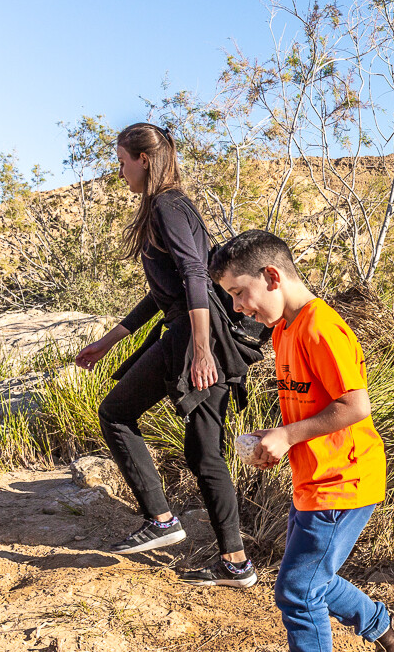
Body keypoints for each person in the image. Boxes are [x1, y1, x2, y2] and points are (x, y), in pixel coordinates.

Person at [210, 229, 394, 652]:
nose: (240, 307)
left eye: (241, 293)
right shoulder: (286, 329)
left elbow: (355, 406)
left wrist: (288, 437)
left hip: (343, 480)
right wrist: (279, 436)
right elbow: (311, 407)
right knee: (311, 581)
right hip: (316, 479)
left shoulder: (320, 327)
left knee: (295, 590)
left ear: (271, 277)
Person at [74, 123, 259, 587]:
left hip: (197, 336)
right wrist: (109, 341)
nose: (119, 171)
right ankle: (235, 563)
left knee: (116, 412)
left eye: (121, 161)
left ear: (143, 159)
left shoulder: (166, 205)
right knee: (204, 450)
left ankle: (161, 520)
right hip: (194, 331)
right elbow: (165, 292)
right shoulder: (167, 205)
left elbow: (196, 276)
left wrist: (200, 350)